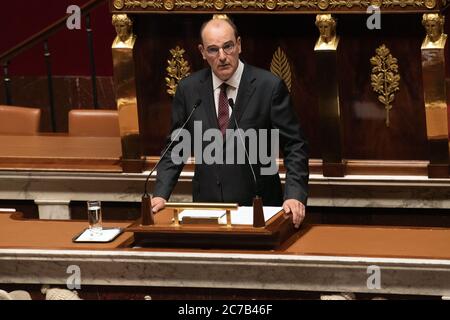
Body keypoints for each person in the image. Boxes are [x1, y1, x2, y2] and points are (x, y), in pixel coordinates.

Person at [151, 15, 309, 228]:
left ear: (239, 45)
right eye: (213, 50)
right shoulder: (189, 90)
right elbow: (175, 148)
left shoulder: (268, 87)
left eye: (228, 47)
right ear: (202, 52)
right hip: (206, 212)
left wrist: (295, 195)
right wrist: (160, 195)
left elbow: (295, 145)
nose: (222, 56)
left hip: (258, 210)